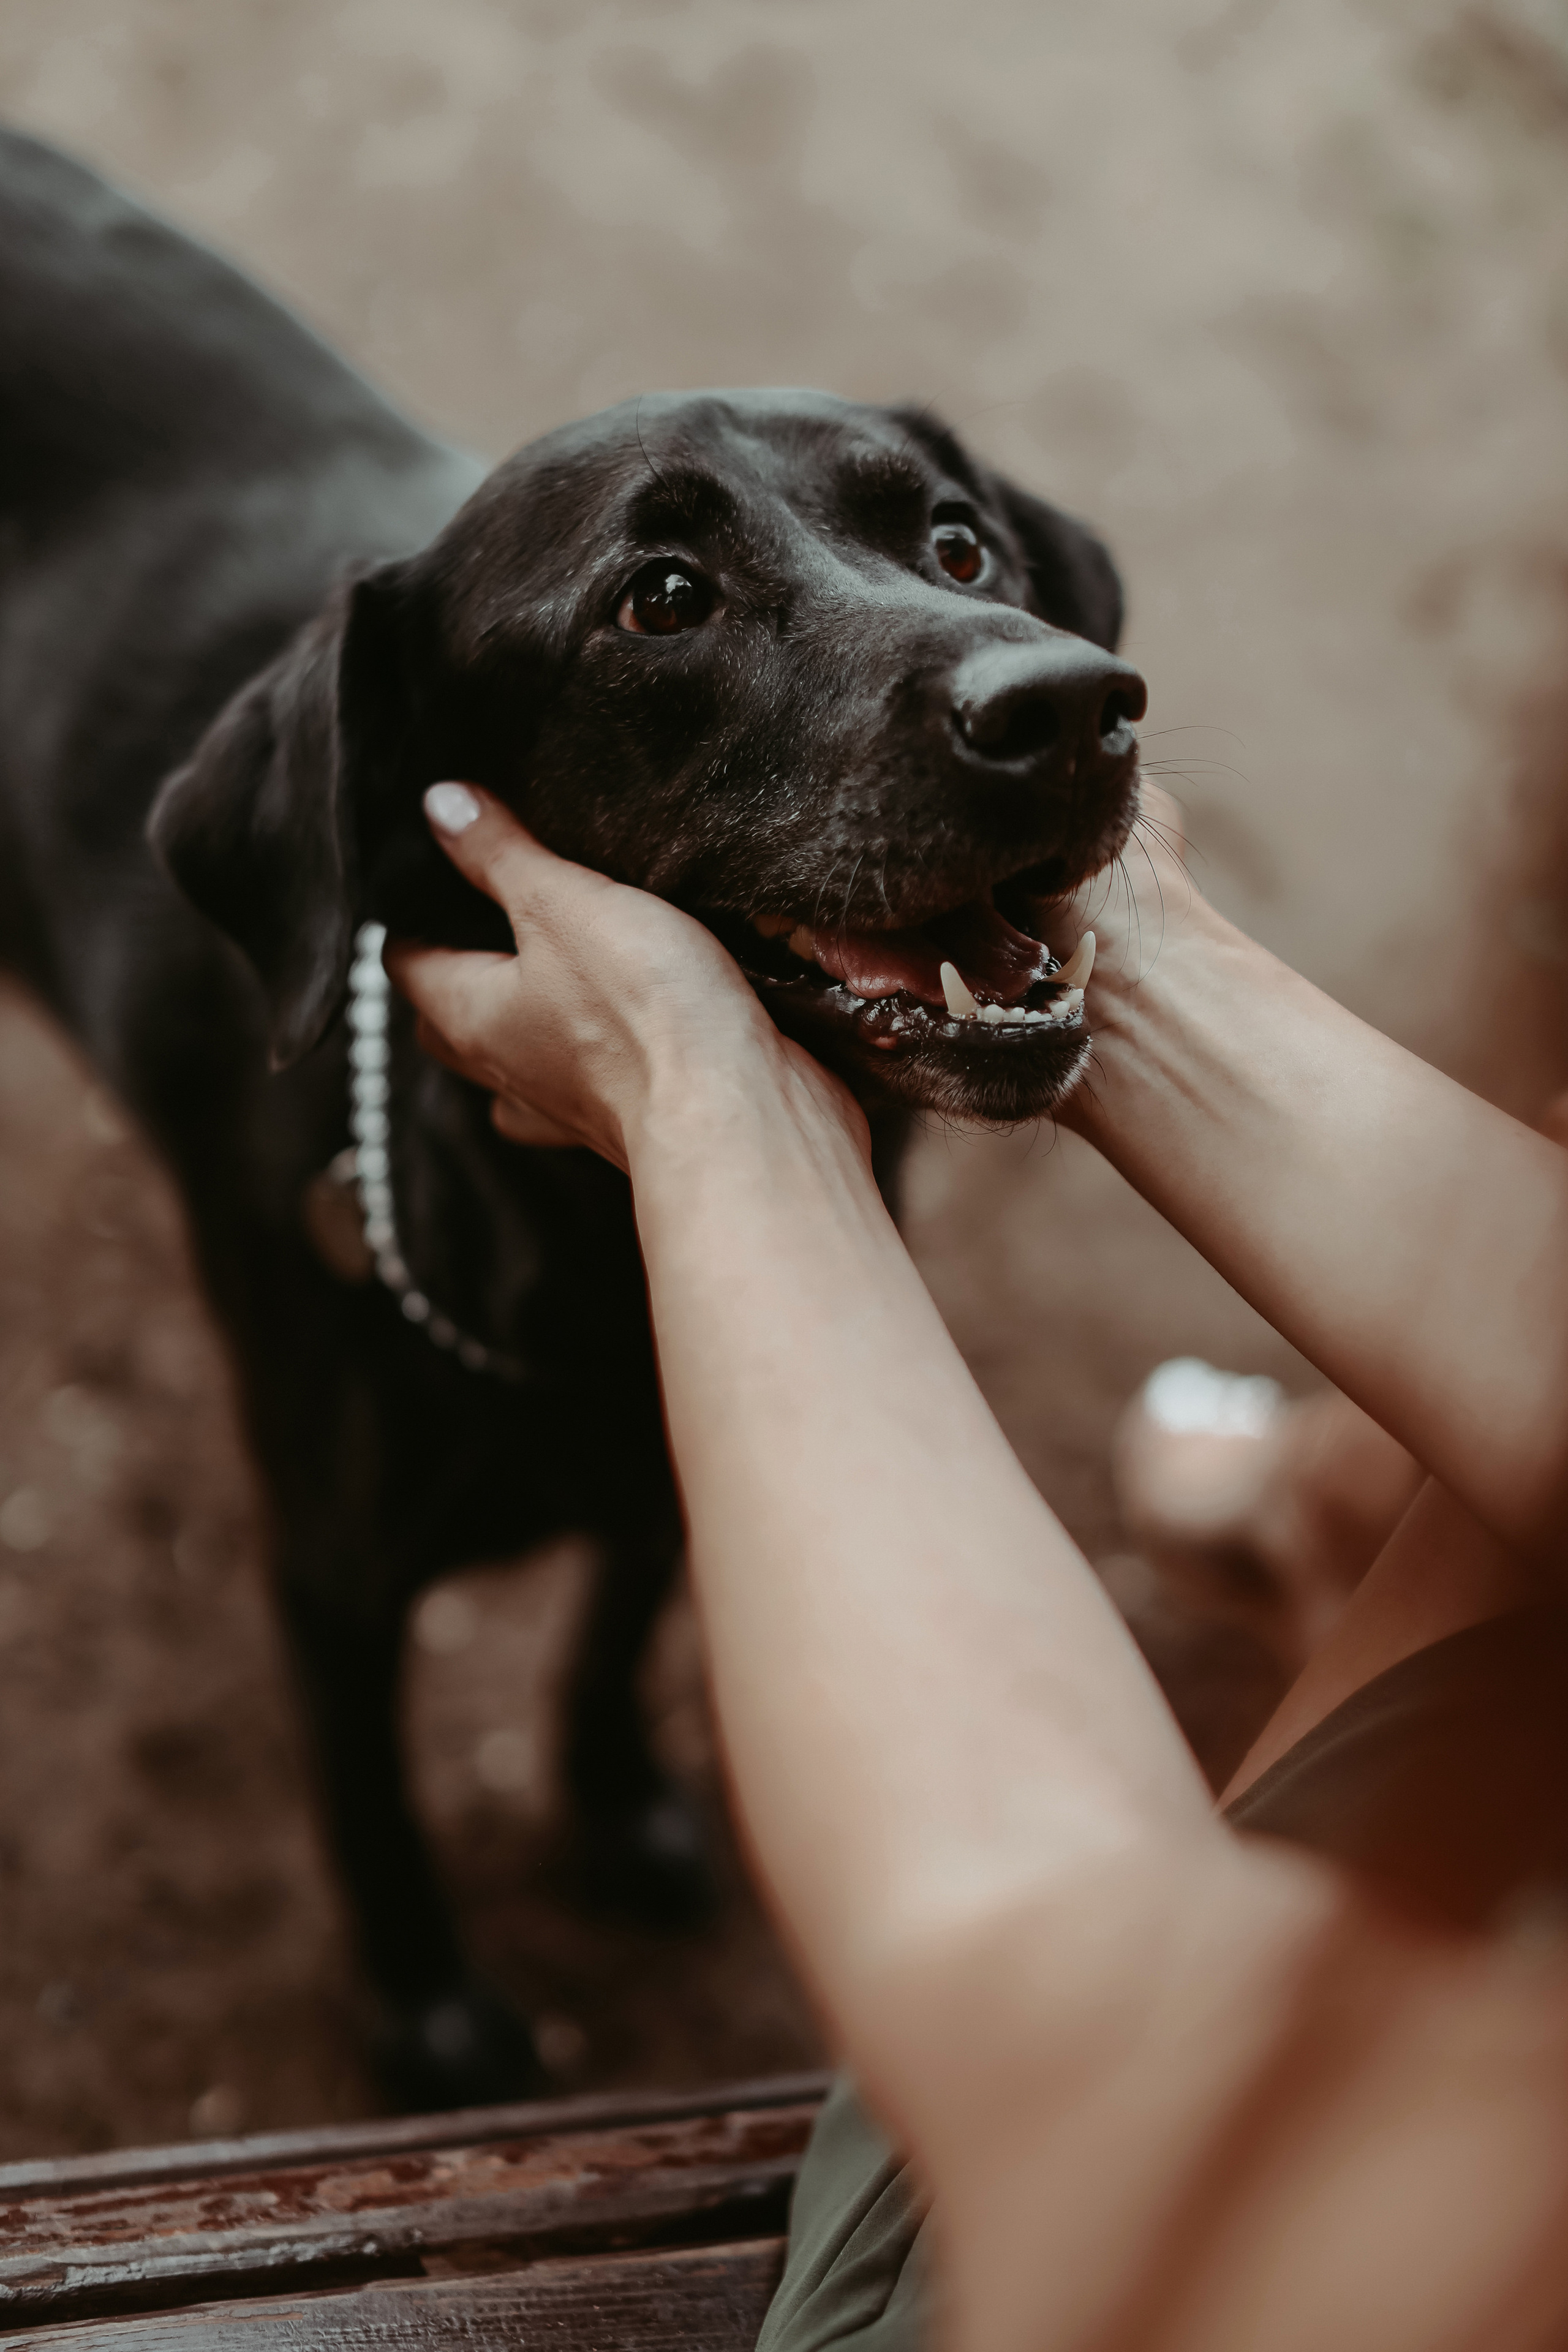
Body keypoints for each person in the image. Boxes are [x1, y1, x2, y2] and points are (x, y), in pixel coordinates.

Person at [390, 776, 1568, 2352]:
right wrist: (1116, 961)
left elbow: (1093, 2044)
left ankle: (1315, 1520)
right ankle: (1309, 1512)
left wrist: (708, 1096)